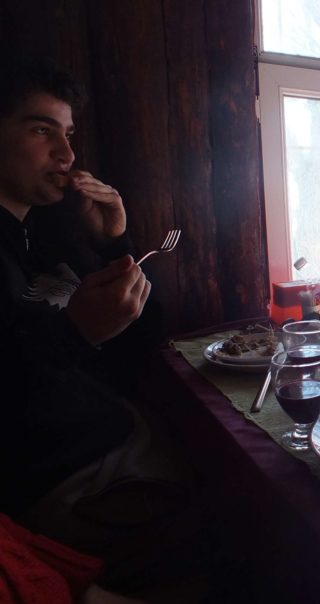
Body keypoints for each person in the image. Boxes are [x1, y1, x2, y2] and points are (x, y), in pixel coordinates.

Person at [0, 53, 204, 596]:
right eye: (42, 130)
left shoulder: (48, 233)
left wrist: (115, 243)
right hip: (63, 483)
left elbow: (138, 338)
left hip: (120, 439)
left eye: (67, 134)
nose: (66, 153)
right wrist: (74, 333)